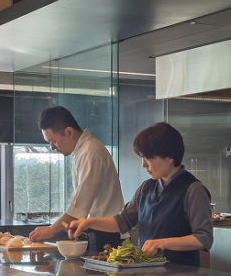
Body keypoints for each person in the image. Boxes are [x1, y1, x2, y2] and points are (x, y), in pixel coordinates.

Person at [69, 121, 213, 267]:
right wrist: (88, 222)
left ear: (169, 157)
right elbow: (123, 221)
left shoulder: (193, 190)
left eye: (148, 158)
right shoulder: (146, 188)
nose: (143, 164)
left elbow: (204, 238)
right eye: (142, 157)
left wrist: (165, 243)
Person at [28, 105, 124, 252]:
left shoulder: (90, 153)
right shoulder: (83, 151)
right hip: (98, 233)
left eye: (53, 141)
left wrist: (51, 230)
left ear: (69, 132)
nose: (52, 147)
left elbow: (79, 207)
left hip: (106, 235)